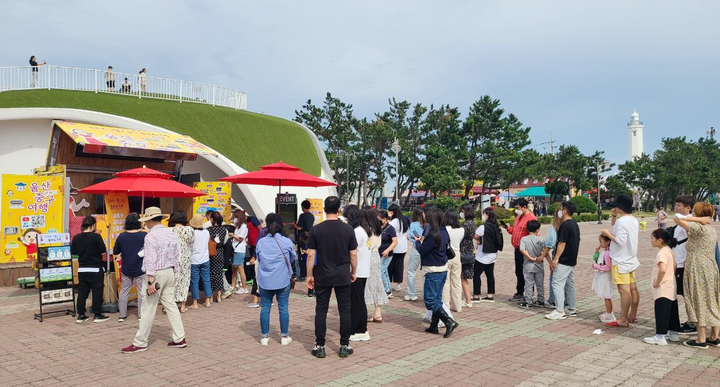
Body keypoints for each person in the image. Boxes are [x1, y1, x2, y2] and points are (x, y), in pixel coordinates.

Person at [122, 207, 185, 353]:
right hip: (169, 272)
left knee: (148, 308)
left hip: (156, 273)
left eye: (146, 221)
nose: (145, 224)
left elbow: (150, 259)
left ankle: (140, 342)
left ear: (150, 220)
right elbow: (176, 255)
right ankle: (179, 337)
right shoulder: (170, 233)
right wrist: (175, 272)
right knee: (170, 305)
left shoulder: (150, 237)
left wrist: (150, 280)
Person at [307, 196, 358, 358]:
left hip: (322, 274)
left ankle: (320, 346)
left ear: (323, 209)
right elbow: (353, 254)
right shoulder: (348, 229)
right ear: (339, 210)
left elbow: (310, 255)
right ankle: (344, 344)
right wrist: (353, 271)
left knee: (321, 310)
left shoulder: (316, 229)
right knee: (345, 310)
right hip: (342, 274)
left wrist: (309, 275)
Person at [674, 202, 719, 349]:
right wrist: (703, 219)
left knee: (699, 298)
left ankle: (701, 338)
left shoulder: (698, 227)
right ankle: (714, 336)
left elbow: (676, 218)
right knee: (712, 298)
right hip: (710, 266)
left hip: (697, 266)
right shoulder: (711, 230)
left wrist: (698, 220)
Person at [255, 213, 296, 346]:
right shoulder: (287, 241)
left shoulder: (261, 242)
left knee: (265, 308)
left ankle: (264, 337)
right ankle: (284, 336)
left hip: (265, 280)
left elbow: (259, 259)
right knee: (283, 308)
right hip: (282, 278)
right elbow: (292, 258)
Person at [603, 194, 640, 327]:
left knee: (624, 290)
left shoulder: (622, 221)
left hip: (621, 259)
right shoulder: (632, 220)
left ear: (620, 207)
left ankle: (623, 319)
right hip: (631, 257)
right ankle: (633, 315)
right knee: (633, 288)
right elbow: (617, 229)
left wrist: (607, 234)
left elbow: (620, 240)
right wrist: (614, 217)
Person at [420, 208, 459, 338]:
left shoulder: (433, 234)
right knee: (437, 298)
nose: (424, 217)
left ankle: (449, 321)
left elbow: (422, 250)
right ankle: (434, 325)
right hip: (442, 268)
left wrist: (418, 242)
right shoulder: (443, 232)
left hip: (433, 269)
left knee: (430, 300)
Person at [643, 228, 682, 346]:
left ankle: (660, 336)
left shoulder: (662, 253)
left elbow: (663, 269)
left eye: (652, 238)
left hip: (662, 287)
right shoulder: (669, 250)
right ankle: (673, 332)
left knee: (661, 310)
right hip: (670, 285)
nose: (651, 241)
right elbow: (674, 265)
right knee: (671, 310)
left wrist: (657, 282)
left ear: (660, 240)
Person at [545, 201, 580, 320]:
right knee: (569, 284)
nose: (560, 211)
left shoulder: (565, 225)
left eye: (561, 209)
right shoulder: (574, 224)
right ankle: (571, 308)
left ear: (564, 211)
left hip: (564, 259)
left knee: (557, 284)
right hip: (571, 259)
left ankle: (560, 310)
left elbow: (561, 244)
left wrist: (555, 259)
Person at [72, 216, 109, 323]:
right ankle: (97, 314)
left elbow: (74, 252)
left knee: (82, 292)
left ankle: (81, 315)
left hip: (82, 268)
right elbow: (103, 251)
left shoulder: (76, 238)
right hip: (96, 268)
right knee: (97, 291)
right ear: (93, 225)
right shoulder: (96, 237)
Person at [113, 213, 147, 322]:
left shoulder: (122, 236)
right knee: (141, 291)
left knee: (124, 291)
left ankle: (122, 315)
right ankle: (141, 315)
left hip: (126, 267)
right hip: (141, 267)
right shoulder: (144, 235)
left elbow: (116, 251)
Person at [344, 205, 371, 342]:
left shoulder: (356, 232)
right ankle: (359, 328)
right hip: (362, 270)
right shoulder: (364, 230)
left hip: (357, 271)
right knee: (358, 301)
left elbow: (352, 253)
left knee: (356, 302)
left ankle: (360, 329)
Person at [503, 198, 538, 301]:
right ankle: (520, 292)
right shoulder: (519, 217)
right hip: (517, 249)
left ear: (524, 207)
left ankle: (528, 294)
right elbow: (515, 231)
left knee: (527, 272)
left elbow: (534, 234)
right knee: (519, 271)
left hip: (525, 250)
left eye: (518, 208)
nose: (516, 210)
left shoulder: (531, 218)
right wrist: (509, 228)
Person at [672, 195, 697, 334]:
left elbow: (692, 240)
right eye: (676, 205)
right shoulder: (683, 220)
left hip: (683, 263)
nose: (676, 208)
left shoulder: (687, 222)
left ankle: (693, 323)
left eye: (679, 205)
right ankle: (691, 321)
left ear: (688, 208)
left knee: (687, 294)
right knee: (683, 293)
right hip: (679, 261)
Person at [472, 207, 503, 302]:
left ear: (487, 215)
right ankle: (490, 295)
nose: (483, 216)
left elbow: (475, 236)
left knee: (476, 274)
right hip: (493, 254)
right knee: (490, 274)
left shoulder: (483, 227)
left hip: (484, 255)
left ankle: (476, 295)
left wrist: (478, 238)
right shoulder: (496, 226)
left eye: (484, 214)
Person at [364, 208, 389, 323]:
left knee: (366, 284)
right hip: (376, 256)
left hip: (367, 256)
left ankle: (364, 311)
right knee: (376, 283)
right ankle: (377, 312)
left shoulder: (366, 229)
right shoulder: (377, 228)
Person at [169, 210, 194, 313]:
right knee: (184, 281)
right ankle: (183, 305)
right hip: (186, 259)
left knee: (173, 281)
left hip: (173, 259)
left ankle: (172, 304)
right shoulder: (190, 229)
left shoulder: (170, 230)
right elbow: (192, 242)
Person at [539, 210, 564, 309]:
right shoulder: (569, 225)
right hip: (568, 255)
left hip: (557, 253)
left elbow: (549, 243)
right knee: (565, 279)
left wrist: (544, 257)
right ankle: (565, 302)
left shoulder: (554, 227)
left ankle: (553, 300)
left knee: (554, 278)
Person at [519, 220, 545, 308]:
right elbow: (545, 251)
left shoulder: (524, 239)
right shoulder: (541, 239)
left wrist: (530, 258)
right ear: (538, 230)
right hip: (539, 264)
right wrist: (540, 257)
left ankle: (529, 301)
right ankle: (541, 300)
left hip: (528, 264)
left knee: (528, 283)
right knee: (540, 284)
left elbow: (522, 249)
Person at [188, 214, 212, 309]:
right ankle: (207, 300)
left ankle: (195, 302)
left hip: (194, 259)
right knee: (206, 280)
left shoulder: (192, 233)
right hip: (205, 258)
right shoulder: (206, 232)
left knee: (194, 281)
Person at [443, 209, 464, 312]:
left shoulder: (445, 229)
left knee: (446, 282)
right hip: (457, 254)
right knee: (456, 281)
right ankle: (457, 306)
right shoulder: (461, 230)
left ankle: (446, 306)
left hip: (446, 255)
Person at [592, 234, 615, 323]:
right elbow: (597, 259)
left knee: (607, 296)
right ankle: (609, 313)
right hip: (603, 276)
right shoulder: (604, 252)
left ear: (607, 242)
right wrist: (597, 252)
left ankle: (609, 314)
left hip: (605, 277)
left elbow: (607, 267)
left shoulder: (607, 253)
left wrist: (596, 266)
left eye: (601, 242)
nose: (600, 244)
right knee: (607, 295)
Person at [207, 212, 229, 303]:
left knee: (211, 274)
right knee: (219, 274)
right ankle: (219, 296)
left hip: (211, 253)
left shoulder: (208, 230)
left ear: (212, 219)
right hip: (220, 252)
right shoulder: (224, 230)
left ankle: (211, 296)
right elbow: (224, 242)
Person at [291, 200, 315, 280]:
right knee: (308, 255)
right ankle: (307, 272)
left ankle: (302, 274)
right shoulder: (312, 216)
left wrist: (294, 225)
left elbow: (299, 227)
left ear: (303, 207)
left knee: (301, 256)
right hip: (310, 238)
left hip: (302, 238)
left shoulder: (302, 216)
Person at [387, 204, 408, 293]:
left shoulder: (394, 221)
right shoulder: (404, 220)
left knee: (390, 266)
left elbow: (387, 229)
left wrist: (388, 218)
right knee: (399, 266)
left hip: (394, 246)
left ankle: (388, 283)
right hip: (403, 246)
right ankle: (398, 284)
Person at [458, 203, 476, 308]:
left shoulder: (466, 224)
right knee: (464, 277)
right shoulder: (472, 222)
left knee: (462, 277)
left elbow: (461, 236)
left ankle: (468, 300)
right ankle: (468, 299)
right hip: (469, 250)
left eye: (462, 211)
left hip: (463, 251)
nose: (461, 213)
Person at [405, 208, 425, 301]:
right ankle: (425, 293)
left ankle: (412, 293)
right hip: (426, 249)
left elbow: (412, 237)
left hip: (416, 249)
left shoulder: (413, 224)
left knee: (411, 271)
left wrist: (410, 237)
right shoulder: (427, 225)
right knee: (425, 272)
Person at [377, 210, 398, 298]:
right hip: (378, 252)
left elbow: (395, 241)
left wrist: (387, 250)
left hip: (386, 254)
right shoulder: (378, 227)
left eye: (380, 219)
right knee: (384, 272)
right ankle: (388, 289)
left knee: (381, 271)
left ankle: (387, 290)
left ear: (385, 219)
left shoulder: (390, 228)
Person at [231, 210, 249, 294]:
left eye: (235, 217)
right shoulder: (238, 226)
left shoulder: (244, 226)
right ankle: (233, 285)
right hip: (236, 248)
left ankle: (244, 287)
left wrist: (232, 235)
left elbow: (240, 238)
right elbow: (229, 219)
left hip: (239, 249)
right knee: (234, 268)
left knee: (240, 268)